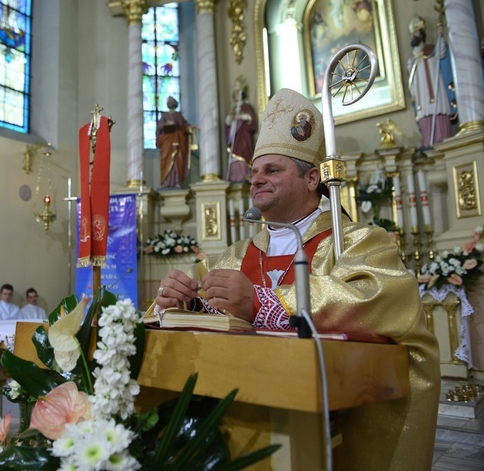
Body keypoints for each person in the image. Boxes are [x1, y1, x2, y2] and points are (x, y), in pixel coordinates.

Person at [154, 88, 440, 470]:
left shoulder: (356, 241)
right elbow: (190, 298)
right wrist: (181, 300)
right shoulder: (234, 255)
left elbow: (380, 297)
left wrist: (262, 303)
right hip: (243, 422)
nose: (255, 180)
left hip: (334, 426)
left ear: (311, 180)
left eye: (272, 170)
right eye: (255, 172)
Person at [407, 15, 454, 149]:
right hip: (421, 96)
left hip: (435, 90)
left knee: (438, 110)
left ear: (421, 33)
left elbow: (441, 53)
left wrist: (440, 35)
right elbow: (411, 78)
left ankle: (441, 139)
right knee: (424, 114)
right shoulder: (411, 59)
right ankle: (428, 141)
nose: (413, 36)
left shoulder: (431, 50)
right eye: (412, 33)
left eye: (415, 32)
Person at [224, 78, 258, 183]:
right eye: (235, 94)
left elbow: (250, 119)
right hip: (235, 137)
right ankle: (235, 178)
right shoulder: (234, 108)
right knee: (234, 157)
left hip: (243, 137)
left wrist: (241, 116)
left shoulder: (246, 106)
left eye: (238, 94)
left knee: (242, 155)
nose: (236, 96)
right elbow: (228, 122)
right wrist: (230, 118)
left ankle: (244, 177)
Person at [156, 96, 191, 188]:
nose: (170, 102)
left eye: (172, 101)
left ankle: (177, 181)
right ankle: (166, 181)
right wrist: (166, 125)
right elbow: (159, 127)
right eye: (169, 101)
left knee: (177, 160)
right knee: (166, 160)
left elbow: (184, 126)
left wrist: (189, 129)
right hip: (166, 142)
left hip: (178, 141)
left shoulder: (178, 115)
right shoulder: (164, 116)